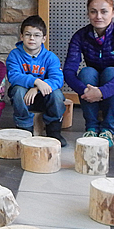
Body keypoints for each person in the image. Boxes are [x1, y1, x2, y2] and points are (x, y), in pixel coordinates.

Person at [63, 0, 114, 148]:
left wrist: (102, 92)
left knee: (112, 72)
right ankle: (91, 128)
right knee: (86, 72)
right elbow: (68, 71)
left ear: (113, 12)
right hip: (92, 94)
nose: (98, 16)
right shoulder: (80, 36)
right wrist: (85, 91)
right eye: (93, 11)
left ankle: (107, 130)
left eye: (104, 11)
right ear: (88, 13)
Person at [6, 15, 67, 146]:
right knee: (17, 90)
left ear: (44, 38)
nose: (32, 38)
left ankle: (54, 130)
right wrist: (37, 81)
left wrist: (37, 88)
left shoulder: (50, 57)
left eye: (37, 35)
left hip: (44, 98)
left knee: (56, 94)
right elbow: (13, 76)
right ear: (21, 36)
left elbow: (57, 79)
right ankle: (24, 128)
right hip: (24, 99)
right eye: (28, 34)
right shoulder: (15, 55)